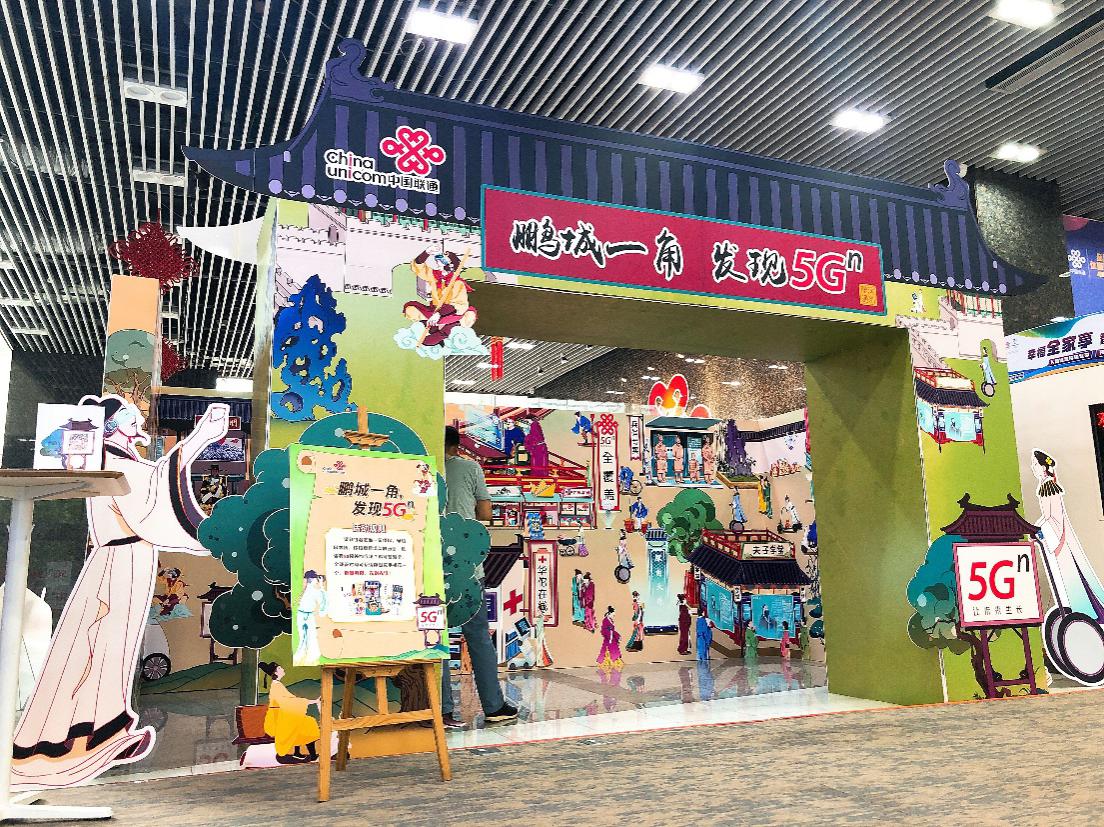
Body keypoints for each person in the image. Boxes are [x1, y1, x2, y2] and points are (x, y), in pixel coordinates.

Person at [12, 397, 229, 790]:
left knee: (99, 649)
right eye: (131, 417)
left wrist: (200, 439)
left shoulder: (114, 462)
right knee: (101, 648)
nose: (140, 422)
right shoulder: (116, 464)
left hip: (120, 559)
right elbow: (155, 499)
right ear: (112, 426)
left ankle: (86, 733)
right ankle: (79, 736)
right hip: (121, 560)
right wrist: (199, 438)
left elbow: (156, 482)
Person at [441, 426, 518, 729]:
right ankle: (494, 707)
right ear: (457, 446)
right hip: (467, 565)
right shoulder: (470, 468)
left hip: (433, 566)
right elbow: (485, 512)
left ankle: (442, 709)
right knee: (478, 637)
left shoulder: (425, 467)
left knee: (436, 636)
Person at [259, 661, 321, 764]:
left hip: (284, 714)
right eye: (280, 668)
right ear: (276, 672)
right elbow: (287, 701)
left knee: (305, 723)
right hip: (278, 717)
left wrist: (311, 701)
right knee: (307, 723)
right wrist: (308, 702)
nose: (283, 669)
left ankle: (301, 753)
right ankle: (310, 755)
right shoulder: (276, 686)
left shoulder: (278, 685)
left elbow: (292, 699)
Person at [294, 570, 327, 665]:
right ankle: (302, 655)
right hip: (303, 615)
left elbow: (322, 600)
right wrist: (321, 586)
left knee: (310, 635)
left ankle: (310, 655)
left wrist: (321, 586)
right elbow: (322, 600)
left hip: (307, 615)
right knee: (304, 635)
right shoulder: (310, 590)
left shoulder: (313, 590)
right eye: (316, 578)